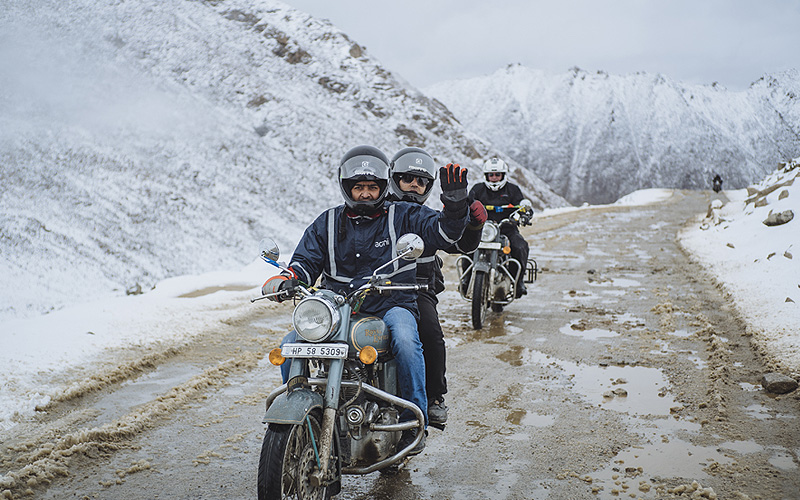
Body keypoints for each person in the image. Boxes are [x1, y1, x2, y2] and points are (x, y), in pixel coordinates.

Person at [262, 145, 470, 455]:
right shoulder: (328, 222)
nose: (365, 193)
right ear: (347, 187)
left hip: (392, 301)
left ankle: (413, 419)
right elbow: (306, 261)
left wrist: (455, 205)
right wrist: (290, 278)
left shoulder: (405, 214)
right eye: (358, 187)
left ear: (383, 186)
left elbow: (443, 234)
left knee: (405, 338)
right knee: (294, 341)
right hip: (336, 305)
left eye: (372, 187)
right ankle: (300, 420)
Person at [387, 147, 488, 427]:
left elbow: (458, 243)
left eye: (422, 181)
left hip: (417, 290)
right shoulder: (376, 214)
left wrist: (471, 225)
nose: (414, 184)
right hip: (375, 290)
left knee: (431, 333)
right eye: (408, 178)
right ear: (394, 178)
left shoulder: (429, 218)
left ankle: (434, 398)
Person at [468, 157, 530, 298]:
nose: (494, 178)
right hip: (482, 229)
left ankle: (518, 281)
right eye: (491, 175)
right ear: (486, 176)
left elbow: (521, 203)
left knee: (520, 246)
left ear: (503, 175)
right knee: (466, 246)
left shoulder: (513, 189)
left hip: (506, 228)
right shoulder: (478, 189)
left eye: (497, 175)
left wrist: (525, 212)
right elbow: (468, 202)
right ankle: (466, 279)